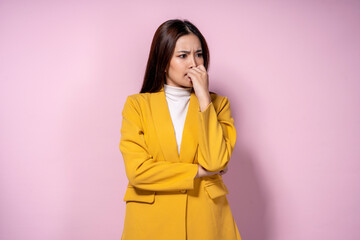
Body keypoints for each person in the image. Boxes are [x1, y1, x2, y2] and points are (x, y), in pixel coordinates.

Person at [119, 19, 241, 240]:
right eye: (183, 55)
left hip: (205, 221)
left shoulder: (218, 104)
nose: (194, 63)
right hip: (151, 222)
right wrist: (199, 172)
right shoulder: (137, 105)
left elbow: (215, 162)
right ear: (163, 60)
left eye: (199, 54)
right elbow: (138, 172)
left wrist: (204, 97)